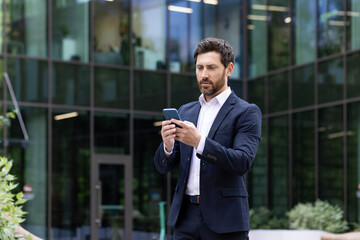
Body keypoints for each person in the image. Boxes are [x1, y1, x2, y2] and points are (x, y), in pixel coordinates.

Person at [154, 37, 262, 240]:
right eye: (199, 67)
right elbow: (163, 167)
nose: (204, 74)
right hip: (185, 219)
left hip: (226, 221)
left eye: (211, 68)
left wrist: (199, 142)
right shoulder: (185, 111)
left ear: (229, 69)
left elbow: (242, 162)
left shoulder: (246, 112)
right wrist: (167, 146)